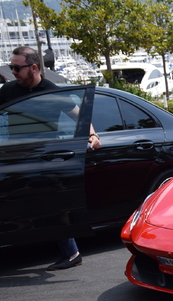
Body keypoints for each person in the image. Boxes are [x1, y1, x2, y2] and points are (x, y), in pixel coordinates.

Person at [0, 46, 102, 271]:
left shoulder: (51, 92)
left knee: (52, 205)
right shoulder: (8, 91)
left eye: (16, 67)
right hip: (16, 157)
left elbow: (79, 116)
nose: (13, 71)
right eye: (11, 67)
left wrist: (92, 135)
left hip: (46, 156)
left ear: (34, 68)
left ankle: (72, 253)